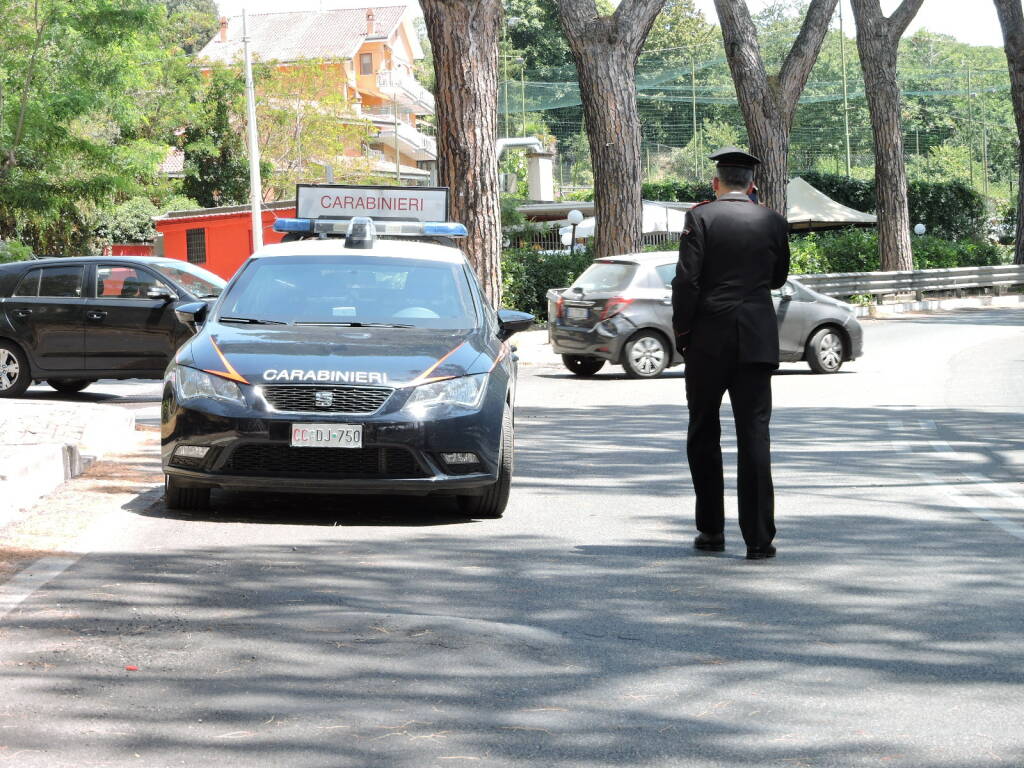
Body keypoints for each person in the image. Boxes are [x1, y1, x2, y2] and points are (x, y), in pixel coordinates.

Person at [671, 147, 790, 560]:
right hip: (756, 339)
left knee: (703, 432)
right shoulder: (773, 221)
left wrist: (683, 333)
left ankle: (711, 531)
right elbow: (778, 279)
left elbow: (686, 282)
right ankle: (759, 538)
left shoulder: (700, 217)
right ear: (752, 185)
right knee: (754, 434)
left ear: (716, 183)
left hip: (708, 340)